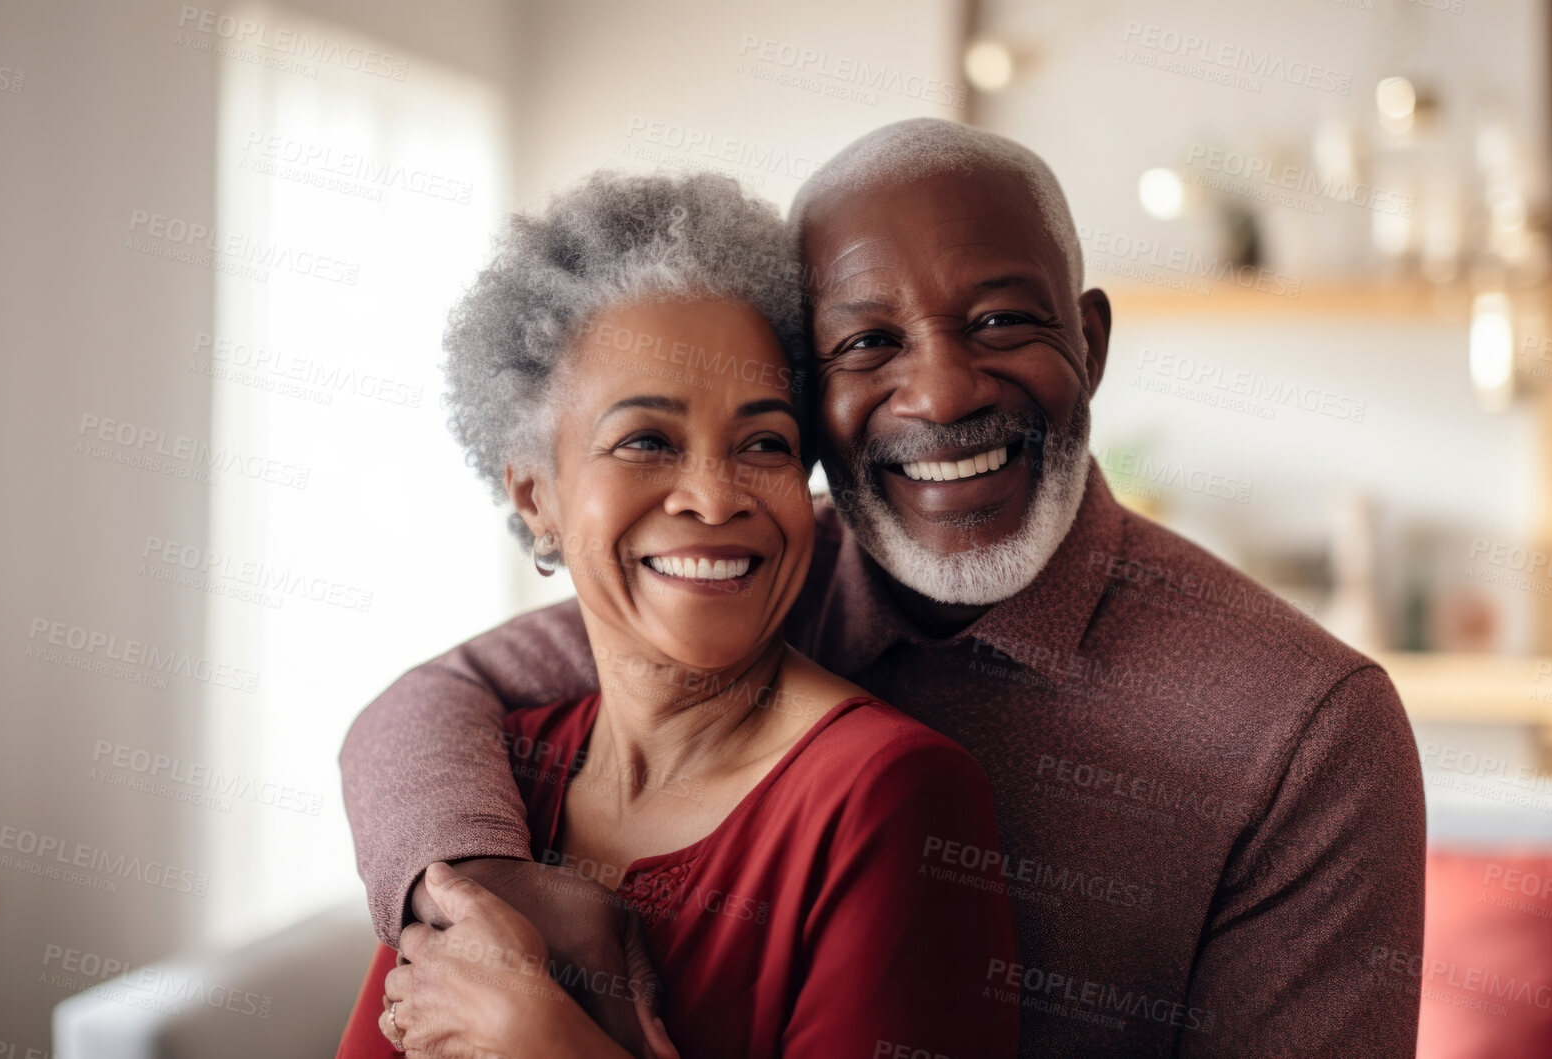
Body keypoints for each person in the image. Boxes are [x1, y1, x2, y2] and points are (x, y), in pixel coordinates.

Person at [343, 119, 1427, 1057]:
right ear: (814, 403)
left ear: (1089, 344)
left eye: (1002, 321)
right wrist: (486, 889)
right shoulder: (742, 586)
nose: (943, 391)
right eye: (868, 342)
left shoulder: (1303, 726)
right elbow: (430, 700)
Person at [336, 170, 1019, 1059]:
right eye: (647, 441)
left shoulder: (889, 796)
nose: (712, 495)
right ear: (535, 495)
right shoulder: (489, 797)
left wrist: (543, 1040)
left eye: (764, 443)